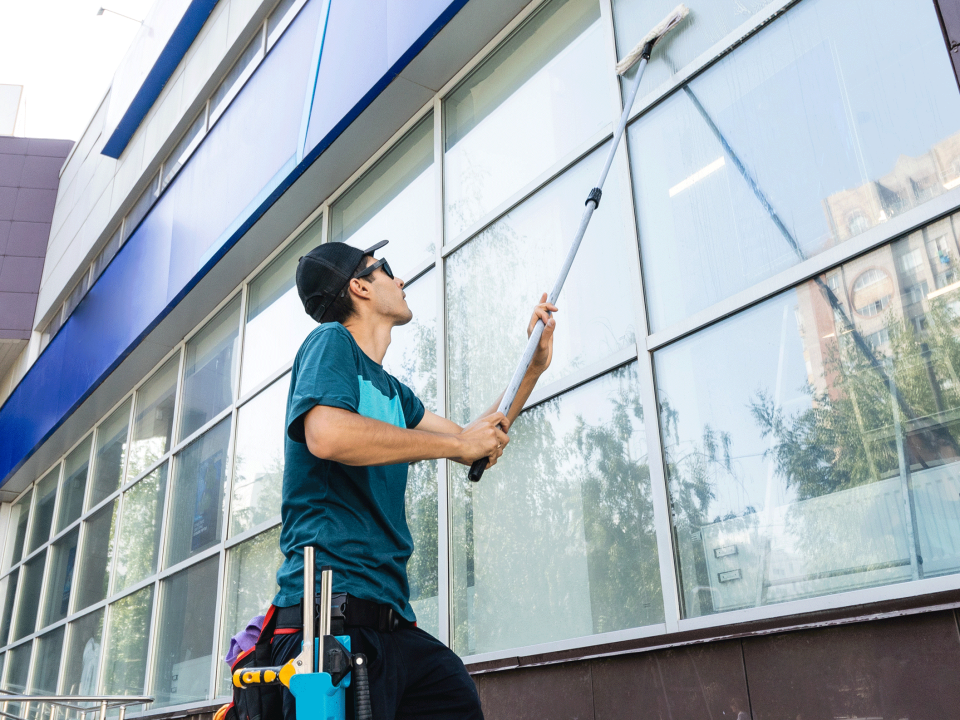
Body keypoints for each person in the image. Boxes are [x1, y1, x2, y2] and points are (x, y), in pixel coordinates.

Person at [269, 239, 557, 720]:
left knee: (453, 696)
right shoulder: (329, 343)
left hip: (389, 620)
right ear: (359, 287)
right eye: (386, 270)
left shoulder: (392, 392)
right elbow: (326, 433)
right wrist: (460, 445)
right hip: (328, 619)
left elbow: (473, 438)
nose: (400, 279)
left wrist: (532, 368)